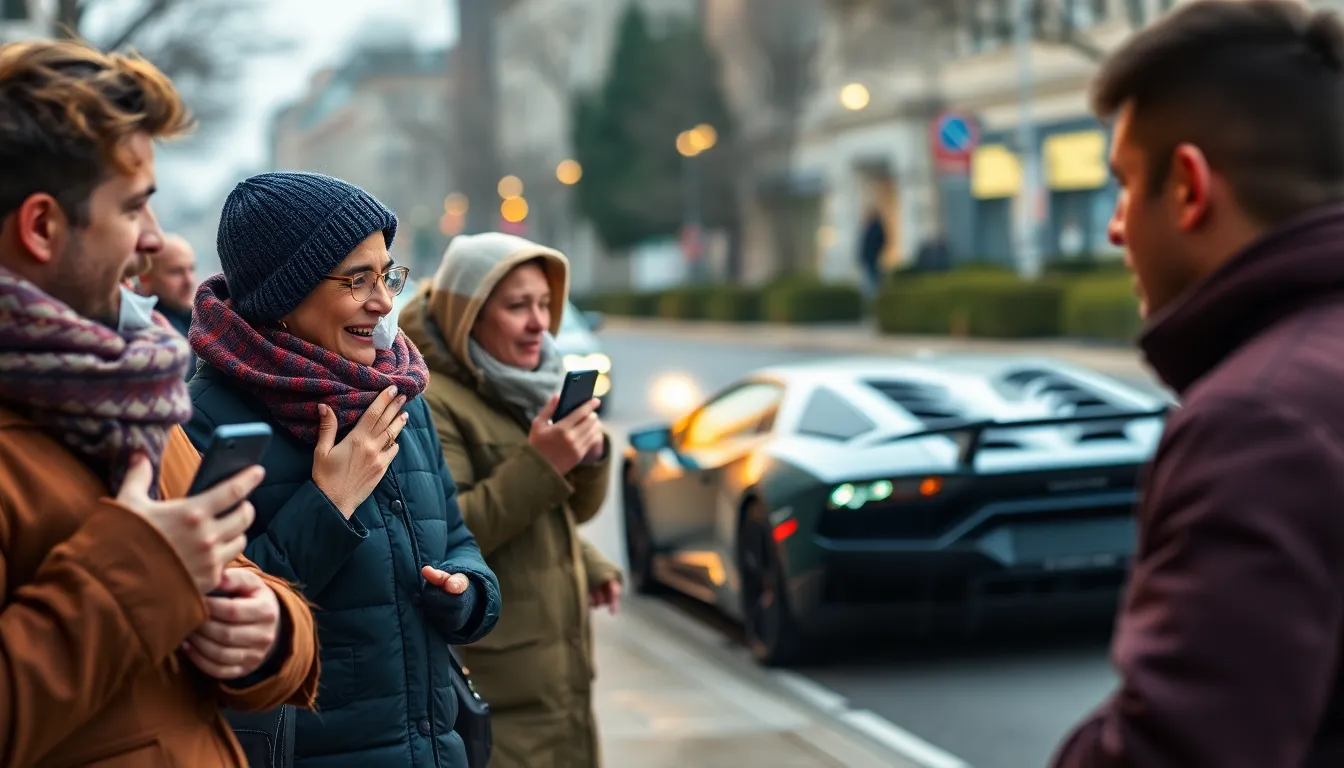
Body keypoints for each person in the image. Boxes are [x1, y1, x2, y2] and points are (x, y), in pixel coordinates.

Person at [0, 39, 319, 765]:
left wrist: (271, 632)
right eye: (135, 207)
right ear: (43, 226)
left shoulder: (128, 383)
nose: (153, 238)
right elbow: (155, 566)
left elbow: (222, 573)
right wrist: (141, 572)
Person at [1052, 2, 1344, 766]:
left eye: (1122, 184)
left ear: (1188, 187)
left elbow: (1180, 749)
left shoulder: (1258, 423)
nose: (1116, 227)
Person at [184, 171, 501, 767]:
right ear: (283, 294)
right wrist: (329, 503)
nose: (383, 302)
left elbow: (459, 539)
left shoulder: (397, 395)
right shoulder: (200, 425)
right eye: (357, 280)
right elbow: (207, 624)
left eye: (386, 274)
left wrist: (466, 595)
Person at [399, 232, 622, 768]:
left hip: (560, 678)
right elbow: (450, 532)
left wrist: (584, 463)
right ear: (468, 315)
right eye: (517, 306)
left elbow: (570, 510)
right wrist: (545, 462)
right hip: (497, 689)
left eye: (546, 304)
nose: (539, 323)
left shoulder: (527, 381)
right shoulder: (434, 401)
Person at [137, 232, 198, 379]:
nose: (189, 281)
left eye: (191, 269)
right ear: (145, 278)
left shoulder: (197, 321)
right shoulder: (144, 333)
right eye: (176, 272)